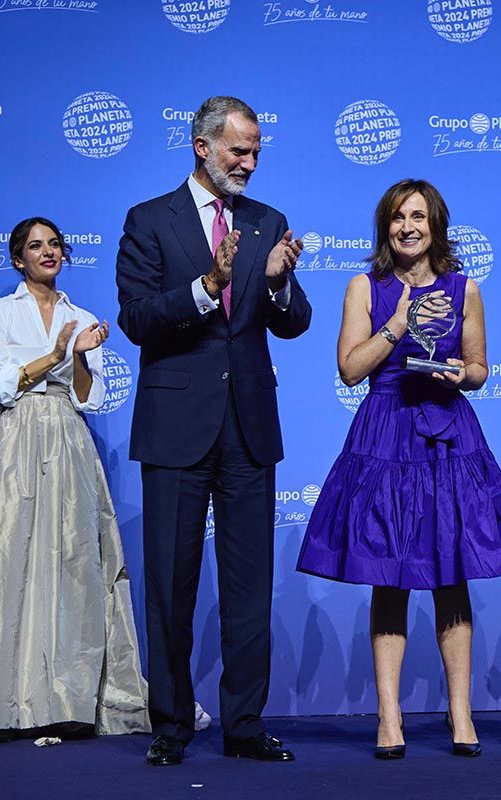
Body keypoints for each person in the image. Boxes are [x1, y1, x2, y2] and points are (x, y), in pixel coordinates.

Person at [297, 178, 501, 759]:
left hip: (448, 435)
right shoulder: (364, 286)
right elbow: (351, 369)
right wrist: (398, 324)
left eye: (418, 216)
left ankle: (461, 715)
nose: (408, 226)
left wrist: (463, 374)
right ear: (386, 226)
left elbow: (480, 367)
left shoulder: (464, 288)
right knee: (389, 574)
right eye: (398, 217)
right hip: (384, 435)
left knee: (452, 573)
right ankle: (389, 718)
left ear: (436, 226)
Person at [116, 95, 311, 766]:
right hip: (175, 424)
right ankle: (170, 725)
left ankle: (245, 724)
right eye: (239, 150)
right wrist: (208, 283)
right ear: (202, 147)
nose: (251, 162)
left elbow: (292, 322)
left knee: (249, 586)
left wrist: (281, 284)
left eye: (257, 151)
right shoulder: (149, 221)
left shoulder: (268, 223)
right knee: (170, 582)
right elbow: (138, 319)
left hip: (249, 427)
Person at [0, 217, 148, 741]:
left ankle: (64, 699)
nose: (48, 252)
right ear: (17, 259)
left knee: (69, 562)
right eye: (35, 246)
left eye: (54, 244)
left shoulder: (81, 315)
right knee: (2, 560)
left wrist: (83, 356)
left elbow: (88, 396)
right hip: (12, 439)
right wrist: (57, 353)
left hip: (67, 437)